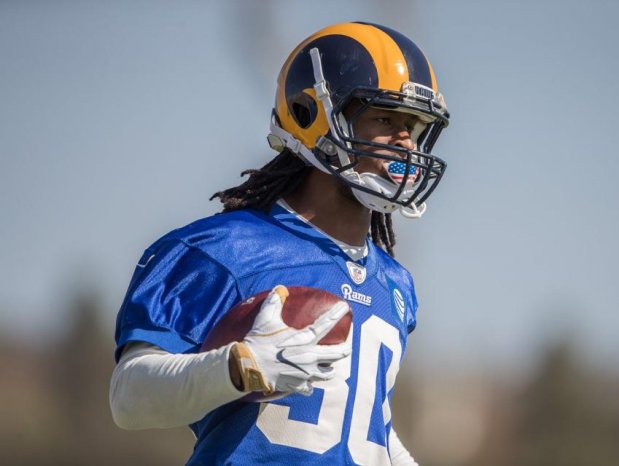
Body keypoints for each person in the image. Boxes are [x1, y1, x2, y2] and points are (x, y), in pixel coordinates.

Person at [110, 21, 449, 465]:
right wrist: (237, 366)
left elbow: (361, 429)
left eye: (413, 126)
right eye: (385, 118)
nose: (404, 143)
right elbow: (128, 397)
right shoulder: (225, 250)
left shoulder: (394, 282)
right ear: (312, 116)